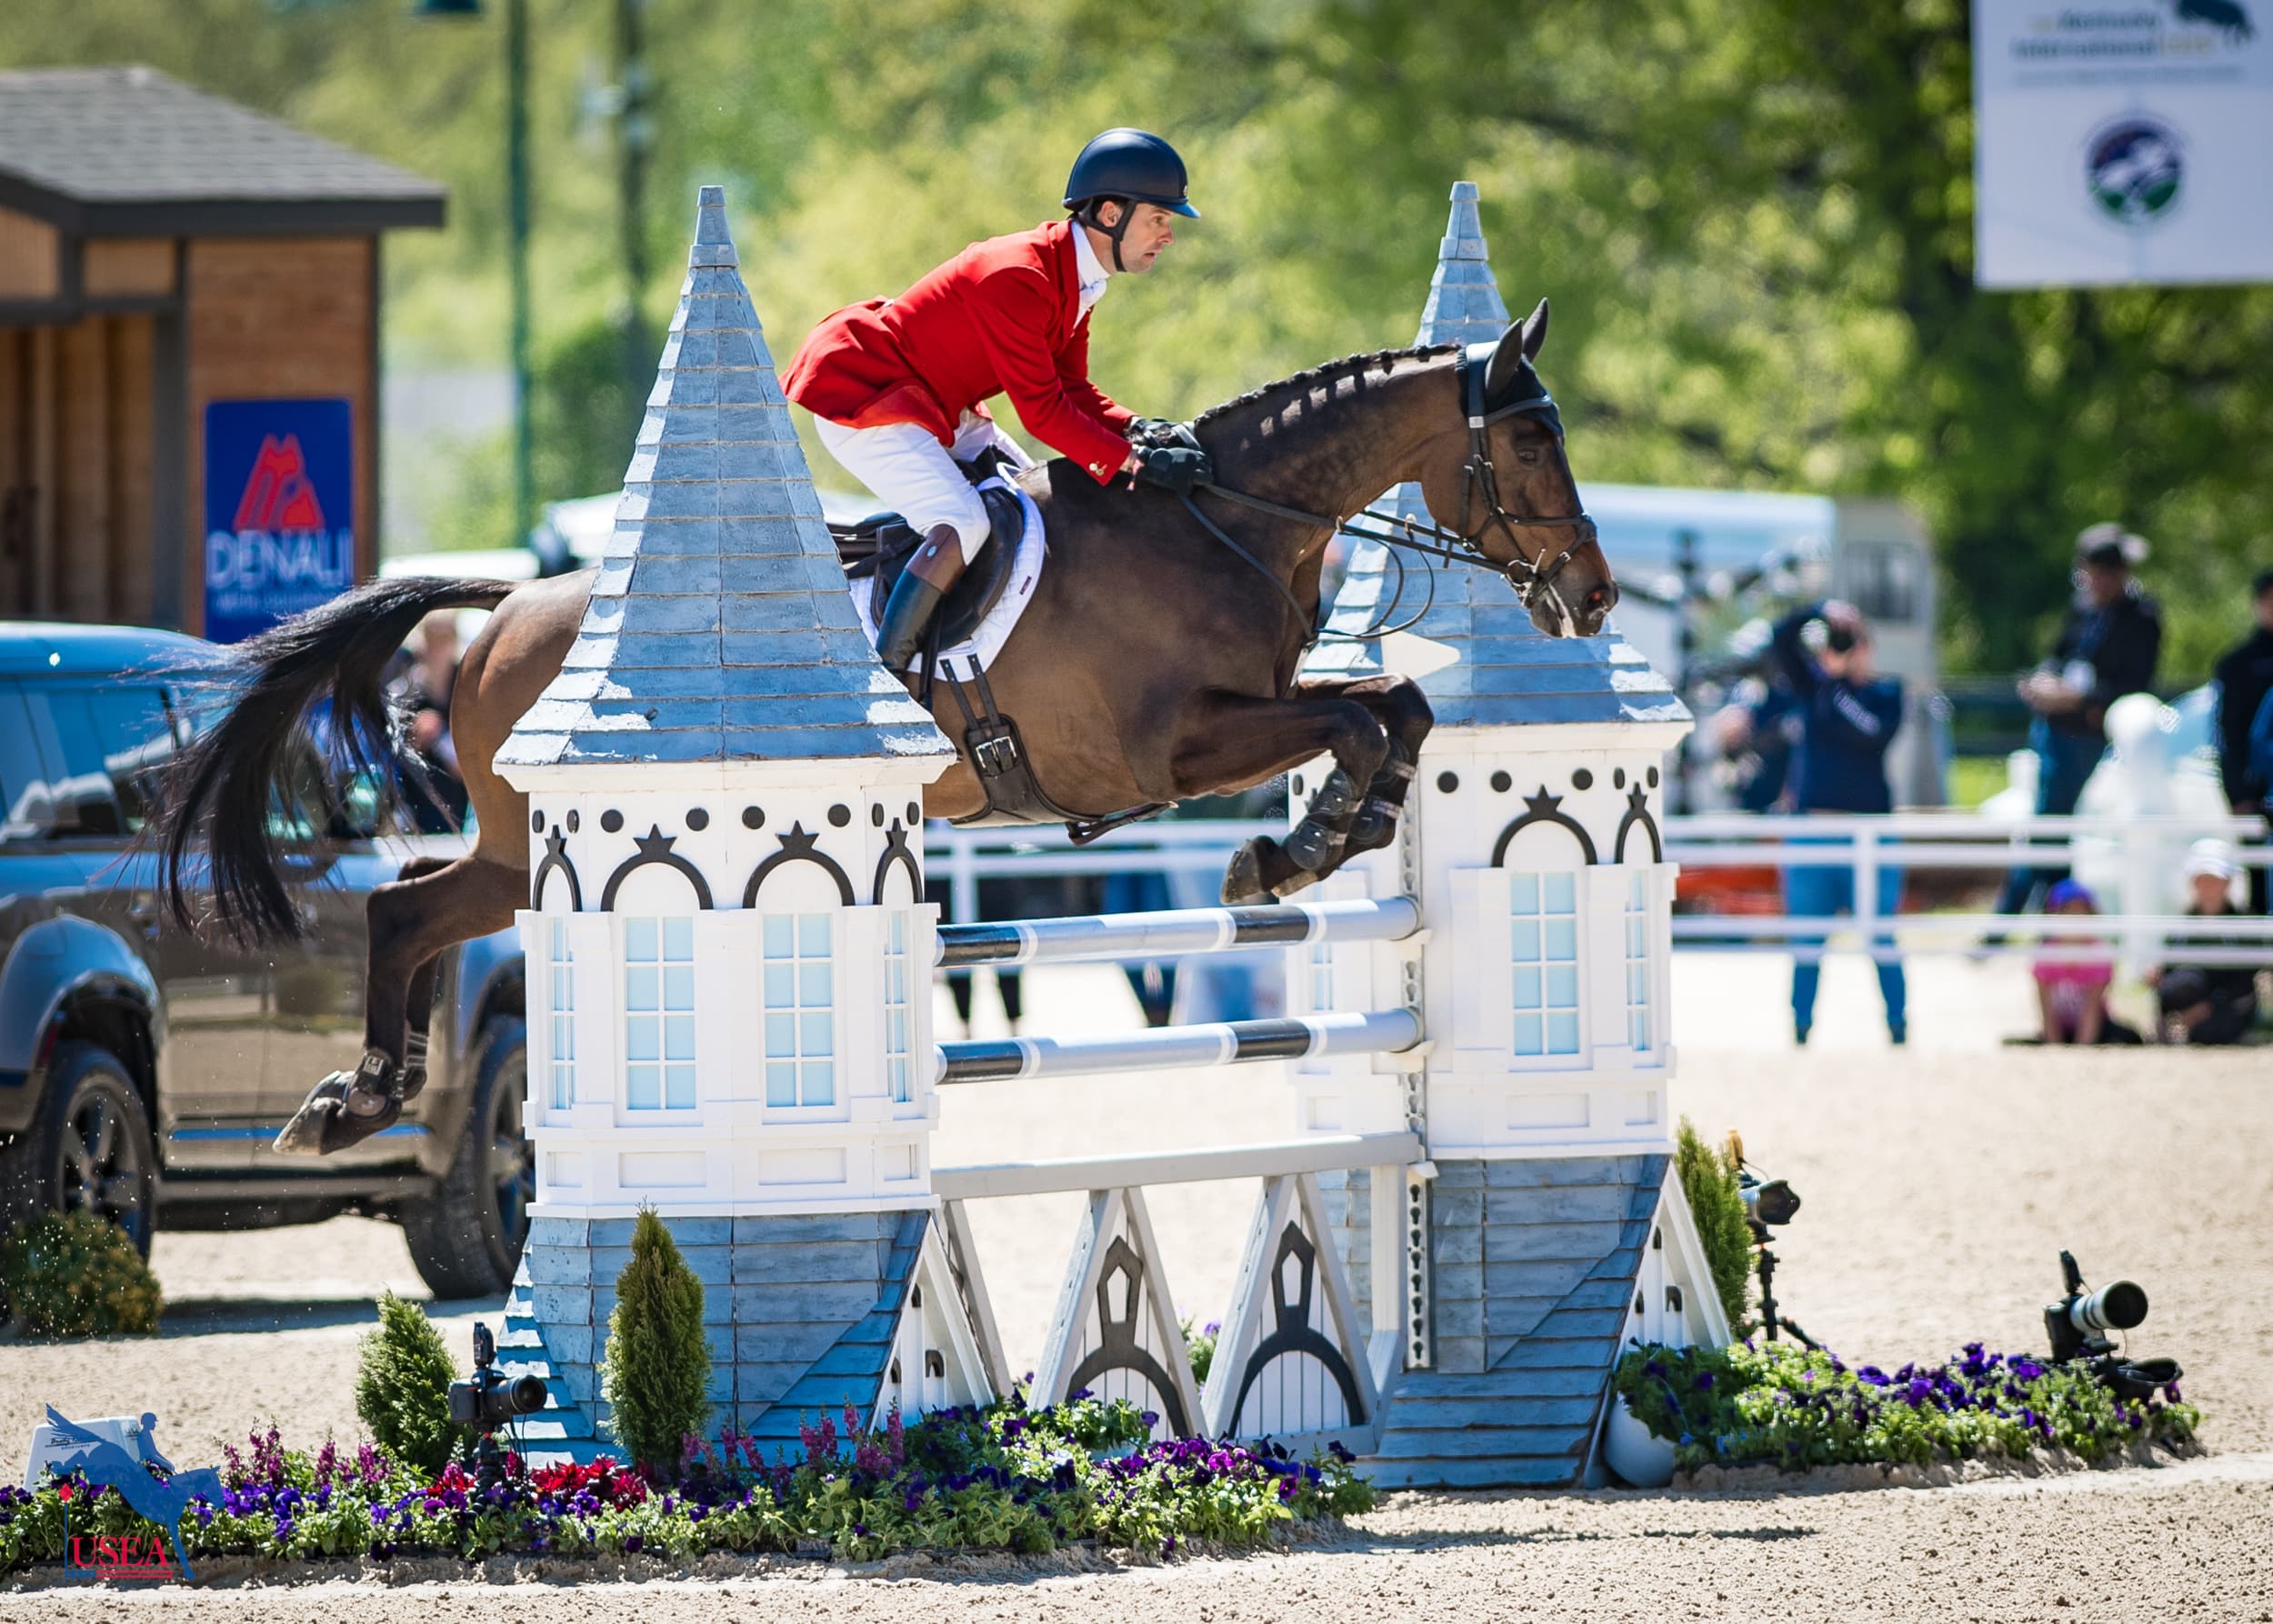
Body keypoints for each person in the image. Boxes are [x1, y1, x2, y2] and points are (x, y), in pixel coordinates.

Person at [785, 128, 1210, 669]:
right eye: (1159, 219)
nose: (1168, 236)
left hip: (938, 403)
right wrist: (1132, 464)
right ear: (1109, 214)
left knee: (1034, 504)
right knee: (967, 524)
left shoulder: (1076, 277)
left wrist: (1142, 430)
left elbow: (1073, 388)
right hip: (872, 398)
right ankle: (886, 679)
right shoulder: (1019, 276)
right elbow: (1043, 412)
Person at [1996, 524, 2162, 915]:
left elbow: (2134, 683)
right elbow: (2059, 657)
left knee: (2057, 825)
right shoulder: (2082, 610)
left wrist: (2080, 698)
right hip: (2056, 730)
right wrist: (2042, 683)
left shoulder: (2141, 616)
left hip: (2094, 737)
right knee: (2044, 823)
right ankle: (2031, 910)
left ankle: (2042, 910)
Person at [1769, 600, 1907, 1046]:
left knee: (1881, 936)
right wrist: (1821, 610)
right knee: (1806, 941)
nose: (1848, 649)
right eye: (1843, 640)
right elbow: (1779, 638)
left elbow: (1870, 733)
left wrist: (1836, 682)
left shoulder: (1886, 695)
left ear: (1870, 647)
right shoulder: (1813, 687)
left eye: (1856, 640)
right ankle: (1801, 1028)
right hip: (1811, 832)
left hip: (1870, 835)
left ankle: (1898, 1025)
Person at [2148, 838, 2262, 1045]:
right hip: (2188, 1010)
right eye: (2202, 878)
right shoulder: (2180, 927)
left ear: (2228, 881)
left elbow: (2245, 980)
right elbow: (2169, 975)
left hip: (2228, 1010)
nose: (2208, 886)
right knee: (2186, 982)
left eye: (2214, 878)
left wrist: (2207, 1007)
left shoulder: (2244, 924)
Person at [2213, 567, 2273, 915]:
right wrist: (2238, 792)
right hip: (2259, 788)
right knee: (2260, 871)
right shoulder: (2239, 664)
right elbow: (2229, 735)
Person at [2030, 879, 2139, 1045]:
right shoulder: (2046, 955)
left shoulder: (2099, 954)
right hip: (2061, 1026)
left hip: (2096, 1025)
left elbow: (2092, 1008)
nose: (2075, 918)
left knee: (2130, 1036)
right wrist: (2054, 1046)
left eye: (2081, 912)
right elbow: (2046, 1010)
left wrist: (2082, 1050)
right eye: (2068, 912)